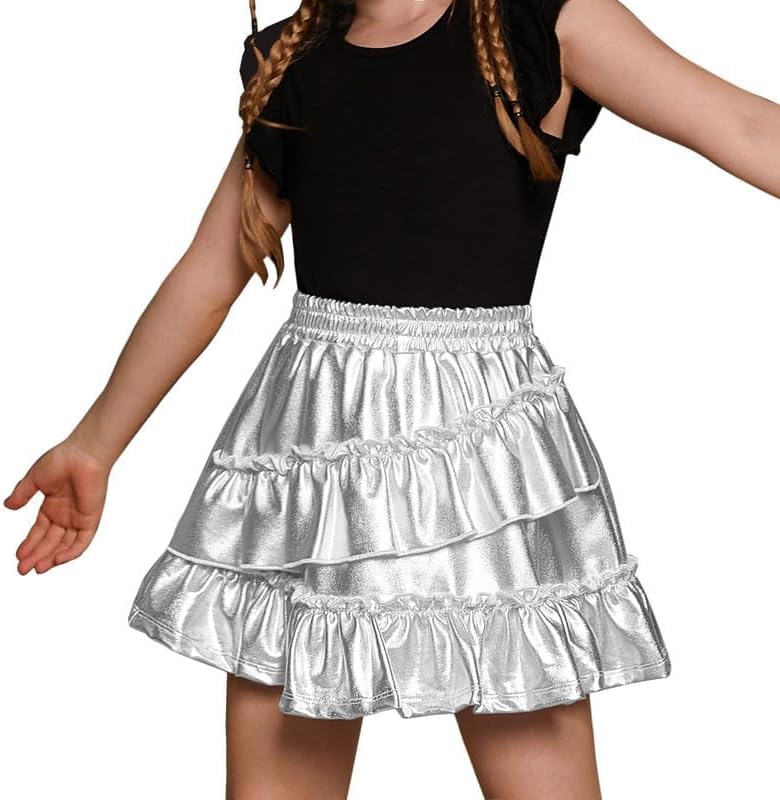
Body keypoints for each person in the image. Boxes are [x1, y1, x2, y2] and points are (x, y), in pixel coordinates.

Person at [5, 1, 778, 798]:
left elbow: (747, 128)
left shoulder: (540, 22)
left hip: (483, 465)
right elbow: (211, 270)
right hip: (315, 455)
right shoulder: (295, 55)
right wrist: (94, 445)